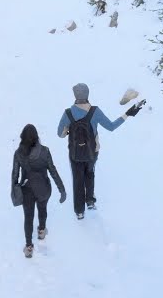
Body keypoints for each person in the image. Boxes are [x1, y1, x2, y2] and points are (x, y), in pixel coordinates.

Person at [56, 83, 142, 220]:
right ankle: (90, 201)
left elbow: (60, 134)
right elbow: (111, 127)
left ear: (75, 96)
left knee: (78, 180)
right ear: (87, 95)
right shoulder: (95, 111)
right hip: (92, 152)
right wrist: (128, 114)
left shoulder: (68, 113)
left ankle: (79, 211)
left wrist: (68, 130)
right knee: (89, 174)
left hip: (75, 154)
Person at [11, 124, 66, 258]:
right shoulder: (45, 151)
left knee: (28, 217)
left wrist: (14, 190)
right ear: (36, 136)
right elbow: (53, 171)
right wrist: (61, 189)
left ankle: (29, 246)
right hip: (44, 188)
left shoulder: (18, 153)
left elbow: (15, 174)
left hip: (27, 190)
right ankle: (41, 231)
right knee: (42, 209)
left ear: (22, 137)